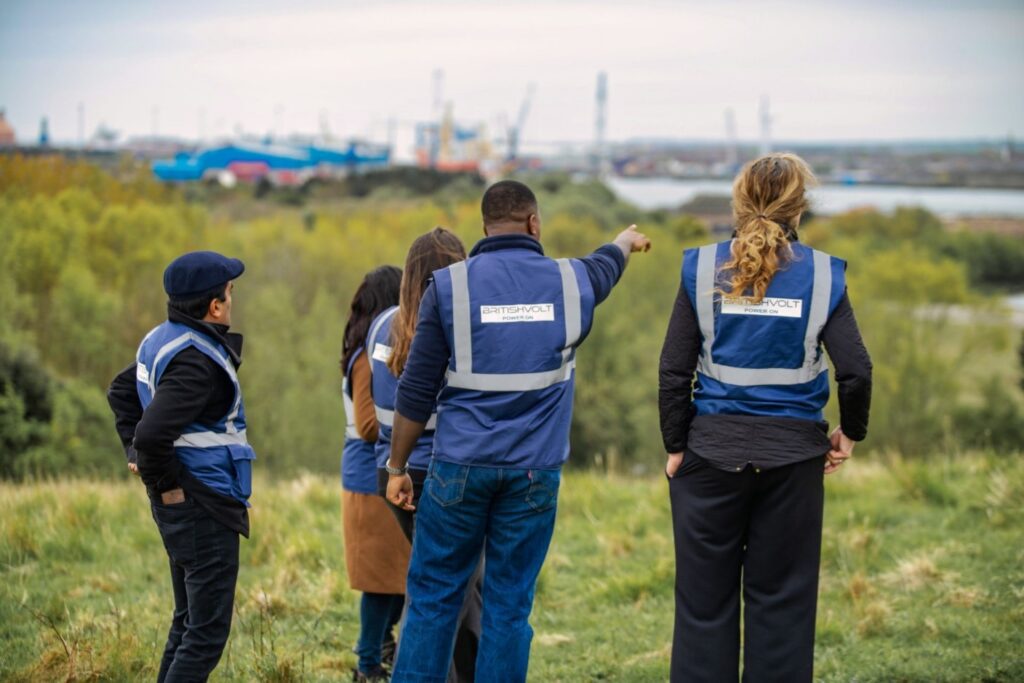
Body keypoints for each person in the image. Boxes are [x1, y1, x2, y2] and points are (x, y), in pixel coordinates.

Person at [383, 180, 651, 683]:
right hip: (533, 475)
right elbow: (607, 265)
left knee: (434, 599)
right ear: (535, 223)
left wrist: (397, 468)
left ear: (484, 227)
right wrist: (625, 240)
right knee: (507, 608)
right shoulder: (572, 283)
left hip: (458, 470)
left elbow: (415, 393)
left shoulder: (450, 288)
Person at [658, 153, 873, 682]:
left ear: (739, 203)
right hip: (795, 459)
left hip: (708, 456)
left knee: (704, 607)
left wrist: (676, 444)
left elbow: (672, 369)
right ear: (799, 208)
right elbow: (857, 371)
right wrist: (851, 432)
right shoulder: (824, 274)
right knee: (782, 604)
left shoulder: (702, 267)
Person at [107, 251, 256, 682]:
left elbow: (121, 392)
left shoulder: (164, 338)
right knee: (206, 634)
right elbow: (151, 434)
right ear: (214, 306)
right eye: (230, 293)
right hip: (202, 505)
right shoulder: (196, 363)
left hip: (186, 504)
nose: (232, 299)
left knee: (188, 621)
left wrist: (139, 460)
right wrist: (164, 483)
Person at [366, 227, 481, 682]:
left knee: (447, 583)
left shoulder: (381, 325)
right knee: (450, 590)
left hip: (392, 470)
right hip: (444, 472)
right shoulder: (459, 327)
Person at [340, 265, 410, 682]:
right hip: (371, 479)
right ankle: (368, 665)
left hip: (374, 476)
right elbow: (368, 425)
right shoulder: (368, 356)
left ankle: (379, 654)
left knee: (392, 579)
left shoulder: (368, 349)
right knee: (380, 581)